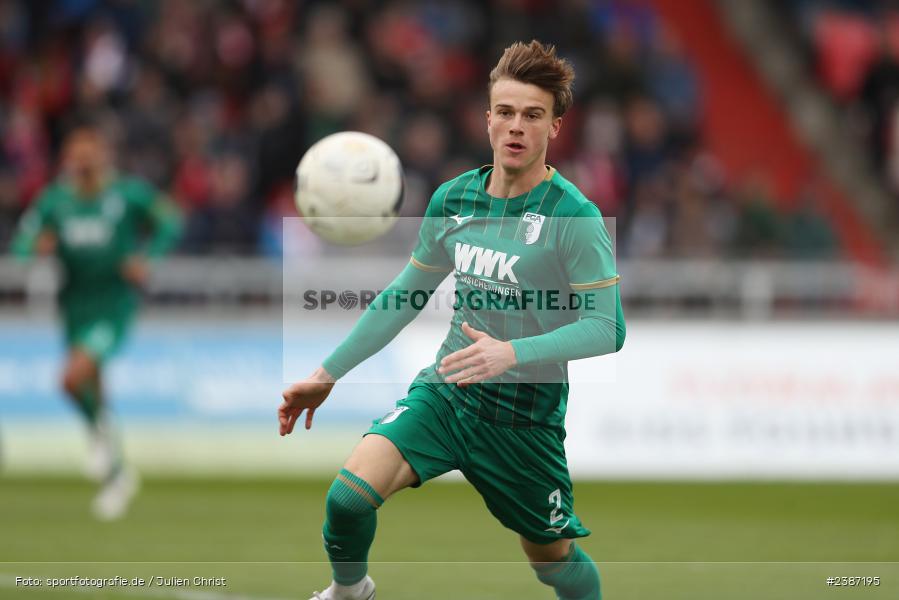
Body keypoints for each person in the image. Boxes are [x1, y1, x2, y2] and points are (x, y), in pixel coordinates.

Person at [279, 40, 625, 600]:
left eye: (533, 115)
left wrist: (511, 353)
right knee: (347, 498)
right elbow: (405, 294)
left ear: (555, 126)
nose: (516, 126)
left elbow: (608, 327)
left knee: (552, 559)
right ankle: (350, 592)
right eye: (506, 112)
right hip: (448, 391)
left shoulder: (574, 216)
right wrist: (328, 372)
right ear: (488, 118)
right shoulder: (454, 198)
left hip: (522, 421)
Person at [11, 125, 182, 520]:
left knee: (71, 379)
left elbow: (169, 222)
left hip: (113, 305)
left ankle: (100, 440)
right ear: (69, 158)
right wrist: (33, 248)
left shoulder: (126, 195)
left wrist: (147, 258)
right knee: (91, 388)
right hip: (74, 305)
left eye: (91, 153)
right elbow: (23, 240)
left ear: (103, 155)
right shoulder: (54, 201)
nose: (84, 161)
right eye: (78, 153)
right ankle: (117, 474)